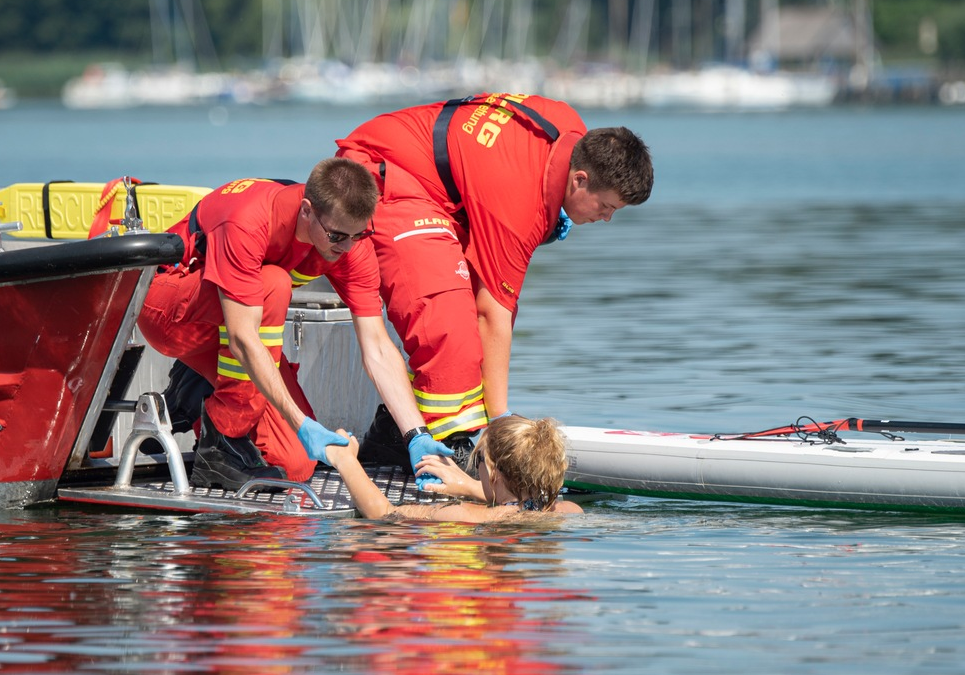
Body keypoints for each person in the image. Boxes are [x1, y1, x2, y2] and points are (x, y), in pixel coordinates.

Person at [334, 93, 654, 469]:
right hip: (379, 178)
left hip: (440, 188)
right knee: (450, 327)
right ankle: (439, 441)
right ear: (579, 180)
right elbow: (493, 314)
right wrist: (500, 423)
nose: (606, 219)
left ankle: (399, 430)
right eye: (606, 207)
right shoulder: (517, 201)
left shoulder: (570, 132)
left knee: (471, 321)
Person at [137, 157, 453, 491]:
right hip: (167, 312)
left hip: (232, 326)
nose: (347, 247)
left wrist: (416, 435)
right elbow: (244, 338)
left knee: (297, 463)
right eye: (337, 235)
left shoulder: (350, 243)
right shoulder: (248, 219)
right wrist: (300, 422)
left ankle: (196, 391)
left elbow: (376, 346)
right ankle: (222, 445)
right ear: (306, 210)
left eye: (359, 234)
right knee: (273, 283)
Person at [326, 414, 583, 521]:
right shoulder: (568, 510)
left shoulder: (464, 515)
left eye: (478, 458)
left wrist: (346, 460)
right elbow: (517, 506)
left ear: (493, 473)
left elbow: (383, 513)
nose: (475, 464)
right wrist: (470, 487)